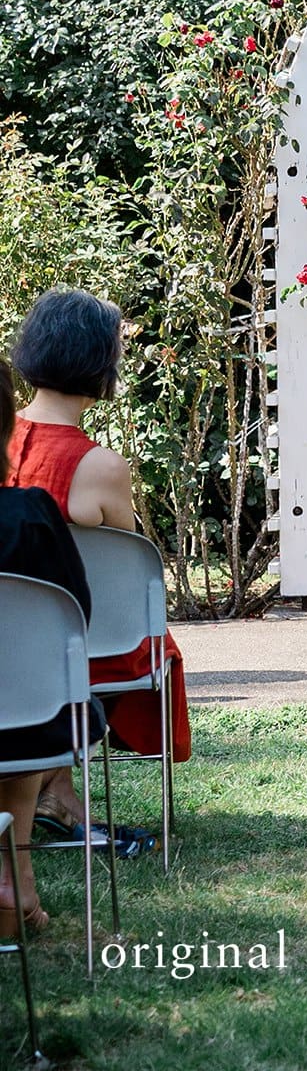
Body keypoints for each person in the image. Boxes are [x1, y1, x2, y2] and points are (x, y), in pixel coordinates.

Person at [6, 288, 191, 854]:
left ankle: (54, 789)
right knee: (136, 640)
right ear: (99, 364)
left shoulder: (1, 439)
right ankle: (52, 785)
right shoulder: (100, 467)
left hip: (9, 636)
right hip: (80, 644)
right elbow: (122, 580)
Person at [0, 356, 104, 938]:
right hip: (33, 720)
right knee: (19, 698)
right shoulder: (31, 515)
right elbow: (73, 616)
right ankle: (14, 879)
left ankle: (14, 880)